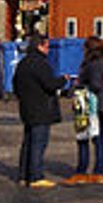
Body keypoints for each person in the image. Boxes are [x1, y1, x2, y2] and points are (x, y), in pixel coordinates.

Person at [12, 34, 68, 187]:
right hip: (41, 109)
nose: (48, 50)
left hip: (27, 108)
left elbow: (15, 85)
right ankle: (36, 176)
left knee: (28, 143)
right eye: (47, 46)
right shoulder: (40, 64)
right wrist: (63, 80)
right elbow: (50, 84)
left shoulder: (23, 63)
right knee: (38, 143)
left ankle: (23, 175)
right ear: (39, 46)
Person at [69, 34, 103, 178]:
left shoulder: (93, 64)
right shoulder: (102, 62)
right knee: (97, 138)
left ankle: (83, 171)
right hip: (100, 104)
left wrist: (79, 84)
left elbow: (95, 84)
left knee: (85, 137)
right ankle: (97, 171)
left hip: (91, 105)